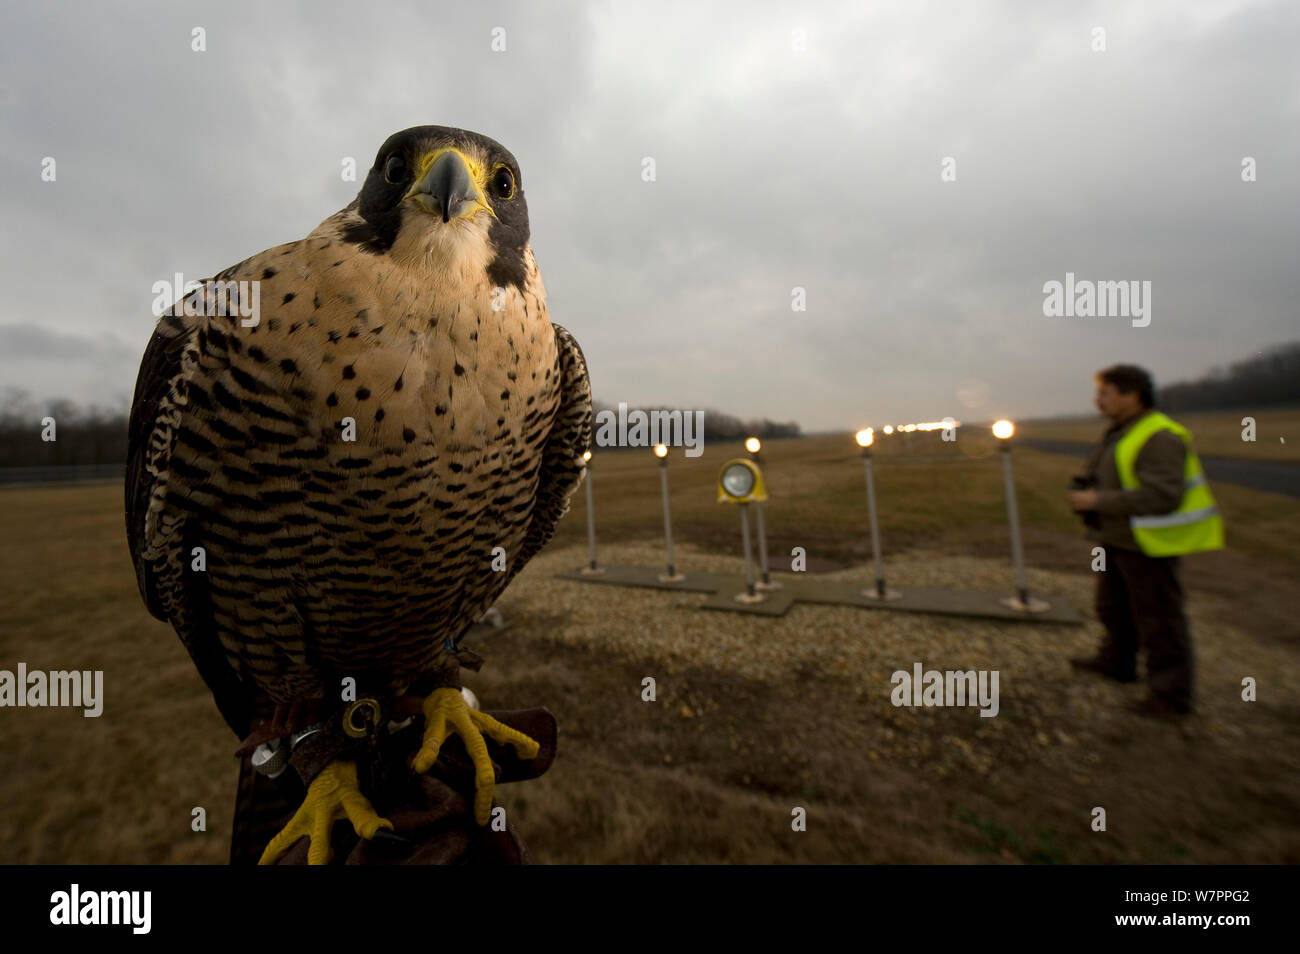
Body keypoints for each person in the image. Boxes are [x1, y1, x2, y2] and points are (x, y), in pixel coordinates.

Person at [1067, 364, 1224, 716]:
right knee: (1113, 607)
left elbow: (1162, 495)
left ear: (1132, 395)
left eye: (1105, 393)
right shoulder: (1121, 432)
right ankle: (1117, 663)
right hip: (1118, 538)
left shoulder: (1160, 435)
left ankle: (1171, 697)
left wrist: (1098, 501)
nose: (1098, 401)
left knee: (1159, 619)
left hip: (1149, 544)